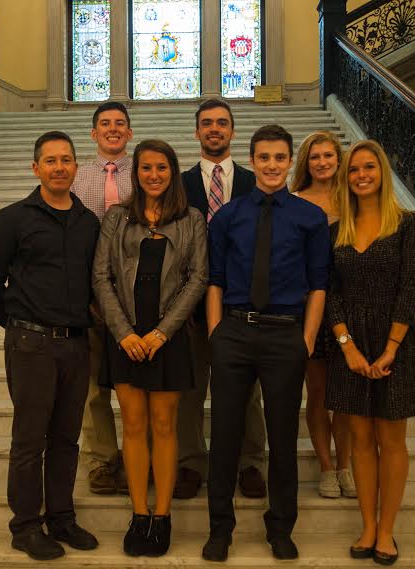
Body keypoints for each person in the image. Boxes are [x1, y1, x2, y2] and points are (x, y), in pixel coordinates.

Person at [203, 125, 330, 562]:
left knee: (281, 435)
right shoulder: (227, 217)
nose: (272, 165)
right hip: (234, 332)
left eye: (280, 158)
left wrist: (307, 339)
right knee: (223, 437)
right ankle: (220, 528)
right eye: (264, 158)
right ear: (252, 160)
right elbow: (215, 280)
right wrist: (217, 335)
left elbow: (318, 285)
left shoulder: (310, 217)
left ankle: (281, 527)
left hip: (284, 334)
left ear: (291, 161)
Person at [0, 131, 100, 561]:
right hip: (30, 343)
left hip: (76, 346)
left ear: (76, 167)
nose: (59, 167)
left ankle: (62, 516)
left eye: (66, 160)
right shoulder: (13, 218)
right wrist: (18, 324)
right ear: (36, 168)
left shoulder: (88, 223)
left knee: (66, 439)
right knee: (30, 439)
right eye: (50, 160)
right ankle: (26, 525)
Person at [325, 139, 415, 565]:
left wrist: (390, 347)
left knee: (391, 439)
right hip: (349, 345)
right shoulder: (336, 231)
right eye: (353, 170)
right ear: (345, 177)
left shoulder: (409, 224)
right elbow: (330, 293)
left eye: (369, 167)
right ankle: (367, 527)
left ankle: (387, 530)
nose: (361, 176)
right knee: (359, 439)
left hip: (399, 340)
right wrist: (347, 346)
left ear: (382, 172)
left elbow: (410, 288)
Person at [92, 139, 207, 557]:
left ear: (172, 172)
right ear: (135, 172)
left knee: (164, 426)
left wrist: (161, 333)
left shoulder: (191, 218)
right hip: (125, 336)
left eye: (161, 167)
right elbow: (101, 277)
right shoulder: (117, 217)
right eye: (145, 168)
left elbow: (198, 278)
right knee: (134, 426)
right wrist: (123, 332)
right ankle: (139, 513)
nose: (153, 175)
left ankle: (163, 517)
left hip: (169, 338)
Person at [175, 98, 267, 500]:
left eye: (222, 123)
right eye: (207, 123)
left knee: (246, 392)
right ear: (196, 131)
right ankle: (191, 463)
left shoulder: (255, 183)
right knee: (190, 392)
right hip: (190, 308)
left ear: (232, 131)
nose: (215, 129)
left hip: (243, 305)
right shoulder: (179, 185)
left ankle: (248, 462)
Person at [72, 101, 133, 495]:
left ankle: (137, 457)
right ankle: (102, 460)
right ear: (94, 133)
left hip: (135, 300)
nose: (113, 129)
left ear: (129, 132)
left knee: (137, 387)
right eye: (105, 124)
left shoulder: (147, 172)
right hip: (88, 299)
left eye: (120, 124)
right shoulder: (75, 178)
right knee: (93, 388)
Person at [290, 131, 356, 499]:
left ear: (338, 158)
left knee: (344, 394)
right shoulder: (295, 202)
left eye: (328, 155)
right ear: (306, 162)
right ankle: (326, 468)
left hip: (351, 307)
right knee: (317, 392)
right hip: (310, 306)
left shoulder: (354, 200)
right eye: (315, 157)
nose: (322, 162)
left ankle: (345, 464)